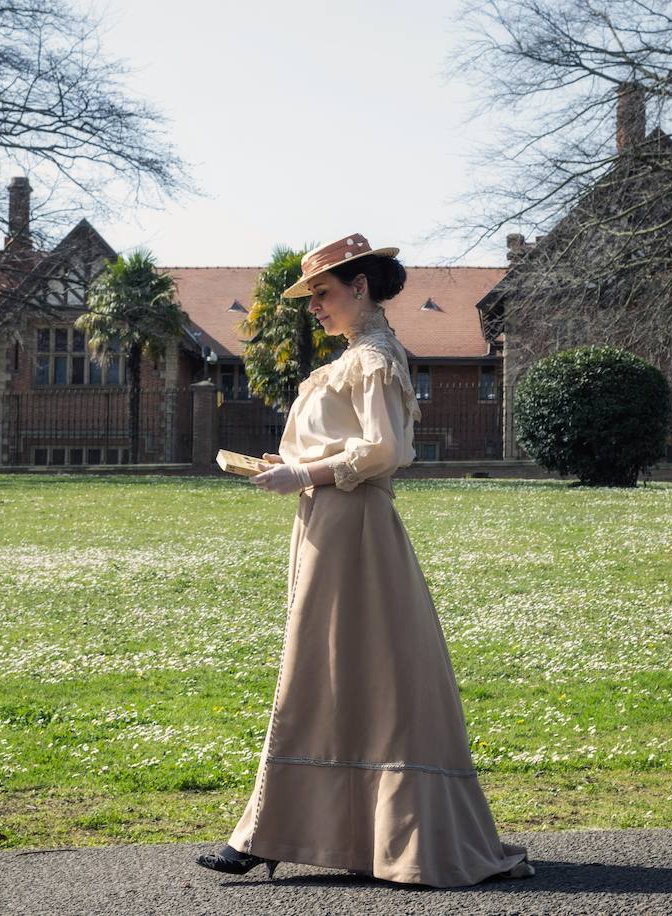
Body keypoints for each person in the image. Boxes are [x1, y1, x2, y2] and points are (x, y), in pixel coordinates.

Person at [194, 233, 536, 887]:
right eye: (311, 297)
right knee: (335, 670)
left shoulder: (374, 359)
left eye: (322, 294)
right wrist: (292, 469)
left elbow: (384, 451)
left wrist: (306, 476)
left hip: (352, 527)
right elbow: (346, 446)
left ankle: (271, 832)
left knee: (338, 670)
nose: (313, 307)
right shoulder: (357, 357)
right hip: (331, 521)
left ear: (359, 288)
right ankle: (297, 830)